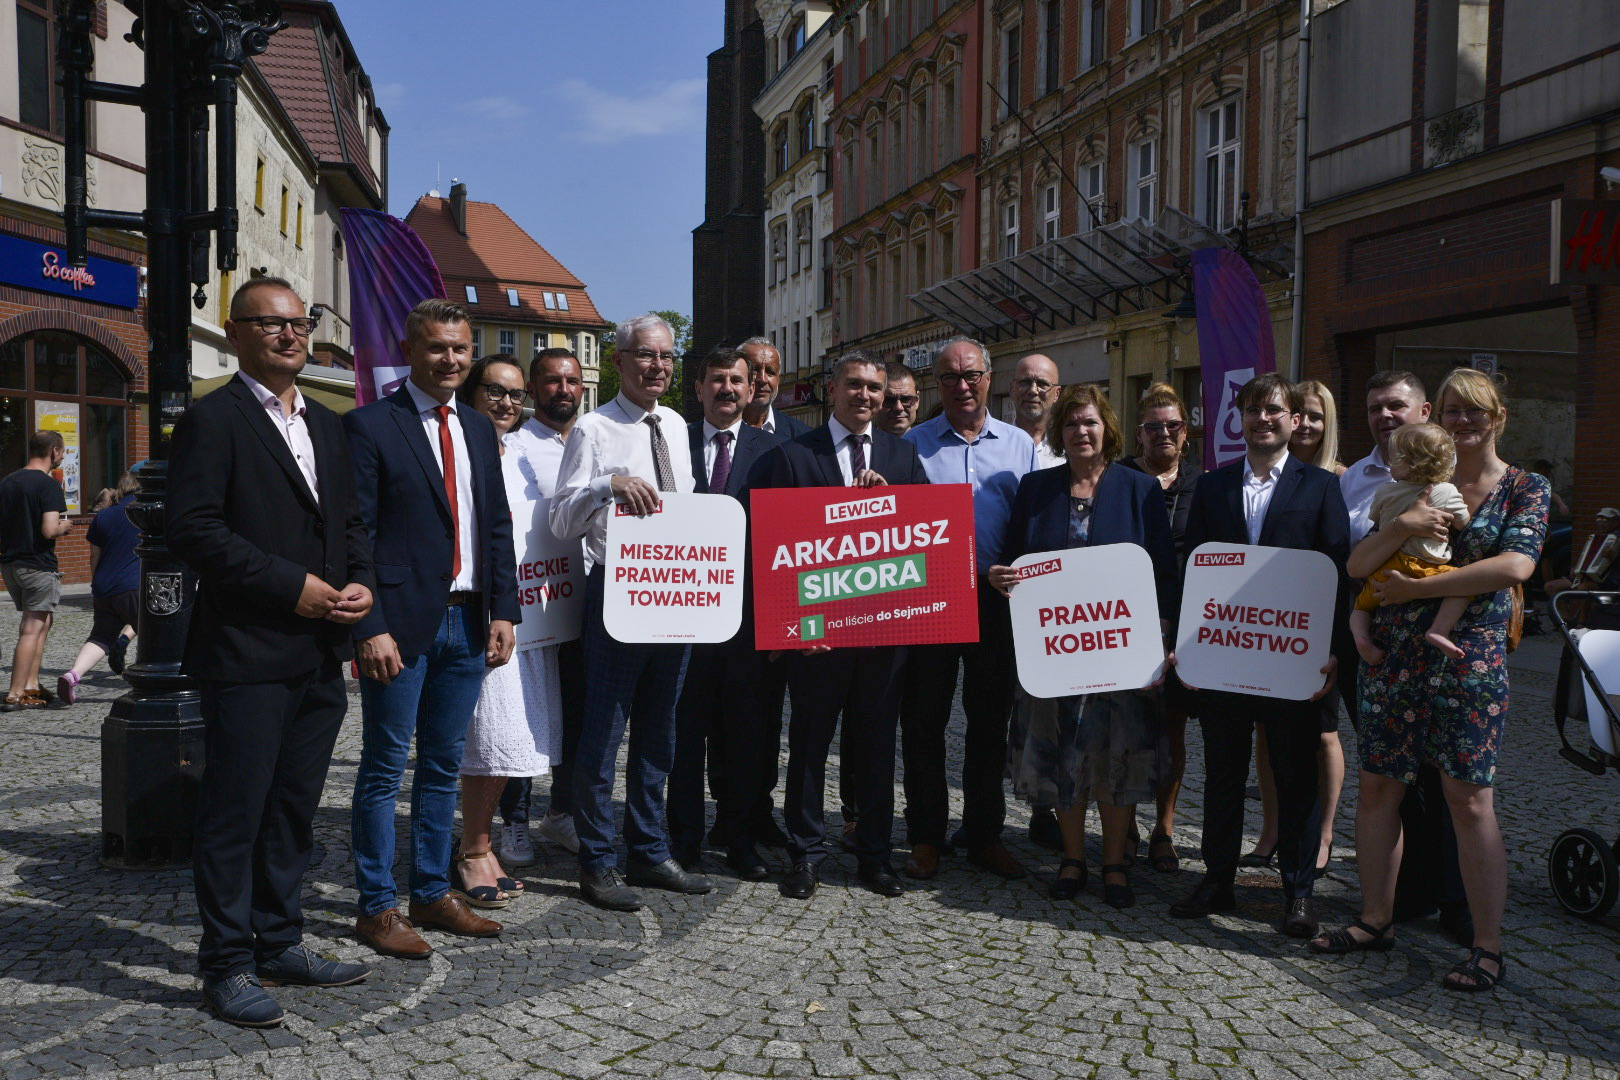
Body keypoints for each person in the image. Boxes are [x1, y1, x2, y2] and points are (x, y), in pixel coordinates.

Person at [166, 276, 374, 1027]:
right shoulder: (213, 420)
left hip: (319, 653)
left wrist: (359, 590)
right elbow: (195, 531)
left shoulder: (326, 423)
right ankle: (225, 962)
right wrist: (294, 588)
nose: (292, 335)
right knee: (236, 813)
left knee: (293, 809)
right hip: (247, 650)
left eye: (301, 322)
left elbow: (350, 525)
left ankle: (279, 940)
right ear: (236, 333)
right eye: (273, 324)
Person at [1313, 368, 1550, 994]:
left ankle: (1487, 946)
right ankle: (1374, 919)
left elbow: (1515, 565)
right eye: (1450, 410)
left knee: (1470, 802)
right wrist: (1402, 527)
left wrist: (1419, 588)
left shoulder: (1525, 488)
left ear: (1497, 418)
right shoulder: (1411, 487)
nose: (1462, 421)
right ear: (1434, 417)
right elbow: (1360, 564)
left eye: (1474, 411)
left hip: (1469, 665)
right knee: (1378, 788)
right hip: (1393, 663)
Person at [346, 298, 518, 958]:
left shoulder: (477, 427)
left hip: (469, 622)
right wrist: (371, 625)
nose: (450, 359)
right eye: (438, 347)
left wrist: (504, 608)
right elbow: (355, 534)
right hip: (400, 627)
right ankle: (375, 906)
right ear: (412, 350)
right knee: (385, 767)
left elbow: (495, 525)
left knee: (443, 766)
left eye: (460, 349)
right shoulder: (370, 426)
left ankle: (430, 891)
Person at [1169, 373, 1350, 939]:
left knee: (1295, 779)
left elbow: (1338, 576)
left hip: (1290, 660)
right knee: (1222, 773)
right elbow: (1192, 569)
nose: (1262, 419)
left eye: (1274, 410)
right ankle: (1216, 877)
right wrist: (1186, 646)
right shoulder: (1215, 486)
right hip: (1224, 658)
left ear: (1296, 421)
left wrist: (1332, 654)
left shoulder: (1321, 487)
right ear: (1240, 420)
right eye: (1252, 410)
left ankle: (1298, 893)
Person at [990, 385, 1177, 908]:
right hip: (1057, 651)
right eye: (1071, 424)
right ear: (1059, 433)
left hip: (1121, 649)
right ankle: (1073, 858)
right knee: (1063, 756)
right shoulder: (1036, 488)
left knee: (1117, 758)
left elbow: (1162, 569)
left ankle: (1114, 862)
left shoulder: (1138, 489)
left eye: (1090, 422)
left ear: (1108, 428)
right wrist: (1001, 577)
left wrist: (1161, 631)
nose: (1081, 432)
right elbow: (1014, 560)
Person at [549, 313, 713, 911]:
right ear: (618, 362)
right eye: (645, 355)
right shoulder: (593, 429)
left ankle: (648, 849)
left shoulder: (674, 422)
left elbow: (689, 512)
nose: (657, 367)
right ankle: (597, 860)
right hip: (615, 597)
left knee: (658, 732)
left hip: (675, 596)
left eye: (667, 357)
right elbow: (561, 521)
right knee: (603, 733)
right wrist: (605, 487)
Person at [754, 351, 929, 900]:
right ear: (831, 390)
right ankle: (804, 853)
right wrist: (791, 628)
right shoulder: (793, 456)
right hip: (817, 638)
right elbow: (772, 550)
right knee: (809, 744)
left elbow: (925, 536)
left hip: (882, 635)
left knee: (877, 746)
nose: (866, 397)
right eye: (854, 386)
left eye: (875, 389)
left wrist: (891, 503)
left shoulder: (904, 456)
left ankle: (874, 854)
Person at [901, 338, 1040, 881]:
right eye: (950, 377)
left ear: (990, 377)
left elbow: (1032, 525)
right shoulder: (912, 444)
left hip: (996, 601)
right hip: (930, 598)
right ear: (937, 384)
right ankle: (925, 836)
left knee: (989, 724)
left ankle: (984, 834)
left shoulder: (1020, 446)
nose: (962, 385)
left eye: (972, 375)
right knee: (923, 723)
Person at [1339, 370, 1470, 941]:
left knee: (1447, 778)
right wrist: (1402, 527)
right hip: (1378, 640)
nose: (1384, 416)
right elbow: (1354, 560)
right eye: (1374, 409)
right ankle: (1405, 896)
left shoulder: (1451, 474)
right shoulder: (1354, 479)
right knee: (1389, 777)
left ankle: (1456, 899)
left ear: (1423, 411)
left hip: (1437, 640)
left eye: (1395, 406)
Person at [454, 355, 564, 907]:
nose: (506, 403)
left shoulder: (525, 453)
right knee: (488, 739)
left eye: (516, 395)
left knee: (513, 744)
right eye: (494, 391)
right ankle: (472, 847)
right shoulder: (461, 448)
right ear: (472, 393)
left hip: (532, 618)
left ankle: (483, 841)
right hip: (484, 614)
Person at [673, 345, 783, 877]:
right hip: (680, 617)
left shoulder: (776, 449)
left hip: (747, 622)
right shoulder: (670, 442)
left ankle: (739, 838)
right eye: (717, 380)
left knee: (743, 737)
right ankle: (683, 839)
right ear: (699, 388)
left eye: (737, 381)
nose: (728, 389)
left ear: (751, 388)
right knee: (683, 736)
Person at [1244, 380, 1352, 876]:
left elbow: (1334, 565)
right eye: (1300, 413)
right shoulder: (1243, 478)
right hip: (1255, 634)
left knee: (1320, 736)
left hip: (1306, 636)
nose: (1304, 424)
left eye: (1313, 416)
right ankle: (1271, 830)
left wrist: (1328, 643)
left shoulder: (1333, 482)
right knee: (1268, 734)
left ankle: (1318, 837)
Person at [499, 348, 587, 865]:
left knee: (576, 714)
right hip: (531, 601)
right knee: (526, 713)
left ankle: (562, 813)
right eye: (551, 381)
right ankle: (513, 819)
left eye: (571, 380)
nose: (563, 389)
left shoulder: (595, 437)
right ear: (534, 390)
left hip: (580, 601)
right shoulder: (512, 445)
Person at [1117, 382, 1203, 872]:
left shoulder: (1201, 484)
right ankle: (1124, 824)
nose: (1163, 434)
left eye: (1172, 426)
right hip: (1124, 620)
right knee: (1127, 730)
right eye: (1154, 427)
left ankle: (1164, 829)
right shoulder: (1120, 479)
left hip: (1183, 622)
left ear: (1185, 433)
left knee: (1172, 732)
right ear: (1138, 434)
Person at [1349, 423, 1472, 665]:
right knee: (1466, 585)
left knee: (1361, 607)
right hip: (1423, 568)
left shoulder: (1385, 491)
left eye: (1394, 459)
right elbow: (1463, 524)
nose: (1390, 464)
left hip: (1385, 567)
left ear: (1408, 463)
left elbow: (1375, 519)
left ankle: (1362, 639)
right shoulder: (1446, 491)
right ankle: (1439, 629)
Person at [57, 468, 141, 704]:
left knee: (101, 637)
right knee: (159, 630)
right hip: (134, 584)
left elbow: (94, 556)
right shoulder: (146, 512)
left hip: (105, 587)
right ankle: (152, 684)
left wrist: (97, 582)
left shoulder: (103, 516)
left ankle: (73, 674)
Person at [0, 430, 70, 710]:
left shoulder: (7, 482)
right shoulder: (48, 485)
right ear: (53, 451)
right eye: (62, 451)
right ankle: (15, 693)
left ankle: (31, 684)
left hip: (11, 564)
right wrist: (65, 527)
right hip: (38, 565)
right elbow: (49, 529)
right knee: (31, 626)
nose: (63, 456)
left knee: (44, 621)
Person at [739, 337, 813, 439]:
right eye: (754, 370)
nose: (763, 379)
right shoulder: (718, 429)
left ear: (778, 379)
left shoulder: (802, 436)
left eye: (771, 372)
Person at [1012, 353, 1064, 469]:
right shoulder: (994, 446)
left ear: (1057, 394)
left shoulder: (1069, 446)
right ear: (1012, 388)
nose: (1033, 390)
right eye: (1025, 382)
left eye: (1042, 384)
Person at [1291, 380, 1346, 475]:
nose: (1304, 424)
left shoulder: (1341, 476)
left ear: (1327, 424)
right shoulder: (1265, 468)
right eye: (1298, 414)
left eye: (1315, 417)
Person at [876, 361, 920, 436]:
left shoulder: (932, 446)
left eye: (906, 399)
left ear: (917, 401)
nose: (898, 407)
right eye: (889, 400)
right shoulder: (859, 446)